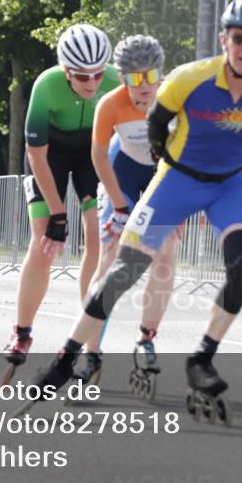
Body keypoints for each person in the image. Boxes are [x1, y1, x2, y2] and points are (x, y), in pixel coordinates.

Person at [27, 0, 242, 410]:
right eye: (239, 38)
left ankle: (198, 357)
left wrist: (233, 161)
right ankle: (69, 358)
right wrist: (125, 203)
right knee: (120, 270)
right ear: (224, 39)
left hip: (228, 184)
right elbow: (147, 137)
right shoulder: (184, 82)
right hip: (173, 179)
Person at [2, 24, 120, 378]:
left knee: (99, 242)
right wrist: (56, 213)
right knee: (44, 242)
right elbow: (36, 156)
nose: (92, 83)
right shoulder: (46, 86)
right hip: (49, 155)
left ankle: (91, 342)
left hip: (91, 155)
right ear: (67, 70)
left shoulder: (116, 82)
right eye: (83, 75)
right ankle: (22, 333)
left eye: (98, 74)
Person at [74, 35, 181, 385]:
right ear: (122, 79)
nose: (144, 86)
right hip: (124, 172)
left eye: (151, 76)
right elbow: (98, 157)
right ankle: (91, 352)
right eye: (135, 78)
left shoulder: (175, 99)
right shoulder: (111, 104)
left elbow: (187, 156)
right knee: (110, 255)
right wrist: (119, 205)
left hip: (163, 175)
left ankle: (147, 338)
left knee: (165, 255)